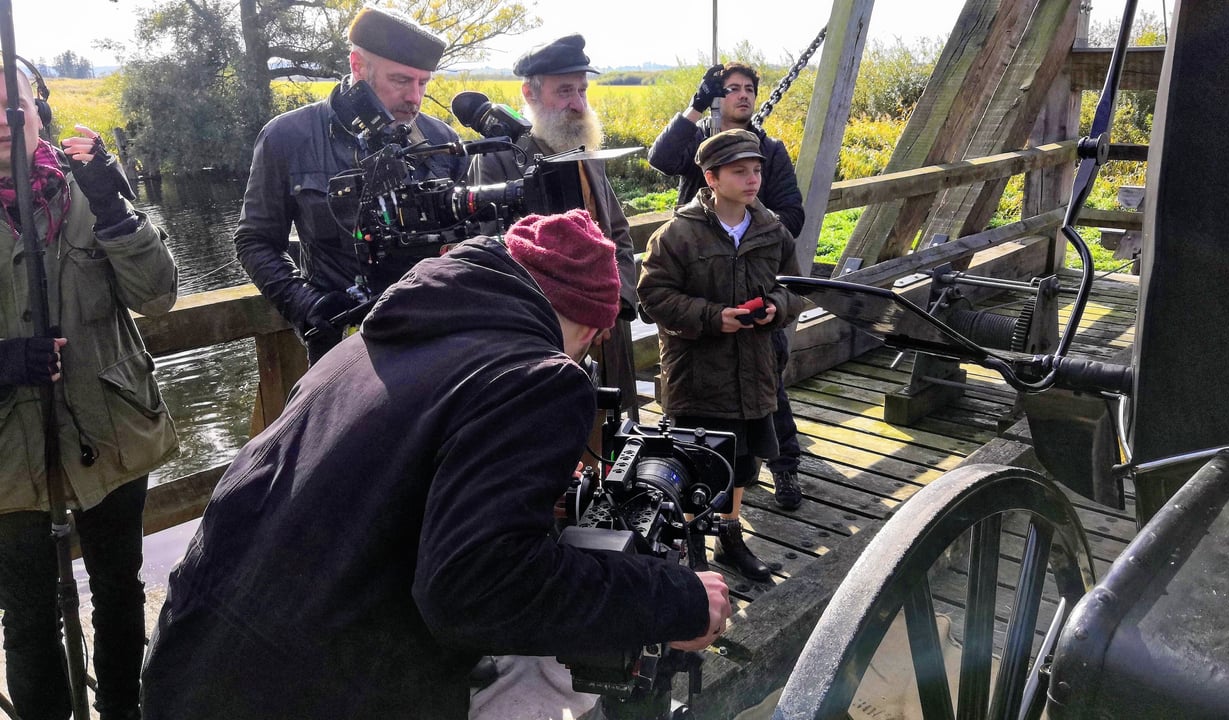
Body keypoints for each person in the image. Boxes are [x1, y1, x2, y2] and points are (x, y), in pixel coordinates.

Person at [140, 210, 731, 720]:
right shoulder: (538, 377)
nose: (585, 353)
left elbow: (375, 491)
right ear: (595, 324)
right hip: (316, 694)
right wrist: (671, 600)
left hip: (189, 663)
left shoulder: (366, 343)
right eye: (594, 339)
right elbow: (474, 590)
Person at [0, 68, 178, 720]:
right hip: (8, 453)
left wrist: (114, 206)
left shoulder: (93, 185)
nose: (2, 119)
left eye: (13, 103)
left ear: (39, 109)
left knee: (119, 590)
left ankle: (124, 710)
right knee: (27, 616)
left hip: (110, 430)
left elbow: (157, 296)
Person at [234, 5, 468, 365]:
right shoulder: (287, 136)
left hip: (437, 343)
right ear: (358, 66)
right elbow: (255, 240)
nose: (415, 98)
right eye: (401, 80)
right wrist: (306, 304)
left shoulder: (442, 140)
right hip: (342, 349)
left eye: (423, 83)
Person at [638, 129, 803, 583]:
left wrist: (777, 307)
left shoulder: (773, 231)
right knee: (697, 467)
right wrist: (713, 317)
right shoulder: (676, 235)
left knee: (743, 465)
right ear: (710, 178)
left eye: (756, 171)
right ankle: (693, 547)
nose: (752, 180)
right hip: (698, 377)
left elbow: (794, 287)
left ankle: (730, 539)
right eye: (739, 171)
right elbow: (653, 296)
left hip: (754, 373)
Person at [648, 62, 808, 510]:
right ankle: (707, 512)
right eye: (731, 88)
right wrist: (696, 106)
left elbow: (792, 213)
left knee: (768, 391)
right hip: (702, 288)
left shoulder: (769, 150)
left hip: (755, 291)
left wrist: (758, 233)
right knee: (699, 424)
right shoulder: (699, 144)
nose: (742, 95)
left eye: (749, 89)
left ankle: (784, 468)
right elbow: (661, 159)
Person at [469, 33, 639, 417]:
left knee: (614, 435)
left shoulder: (587, 151)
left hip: (609, 336)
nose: (578, 104)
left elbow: (619, 234)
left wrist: (615, 304)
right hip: (546, 343)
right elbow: (495, 253)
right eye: (564, 91)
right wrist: (575, 316)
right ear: (529, 93)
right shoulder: (500, 158)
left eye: (582, 90)